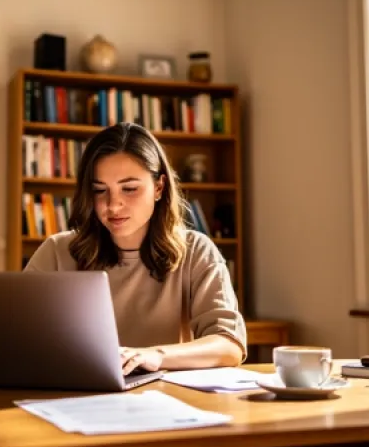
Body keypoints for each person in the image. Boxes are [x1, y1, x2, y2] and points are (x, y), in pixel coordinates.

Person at [24, 122, 247, 375]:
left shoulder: (196, 251)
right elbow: (14, 335)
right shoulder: (57, 251)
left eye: (129, 189)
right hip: (73, 396)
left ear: (159, 188)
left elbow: (229, 345)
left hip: (164, 400)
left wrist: (155, 355)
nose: (113, 205)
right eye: (100, 190)